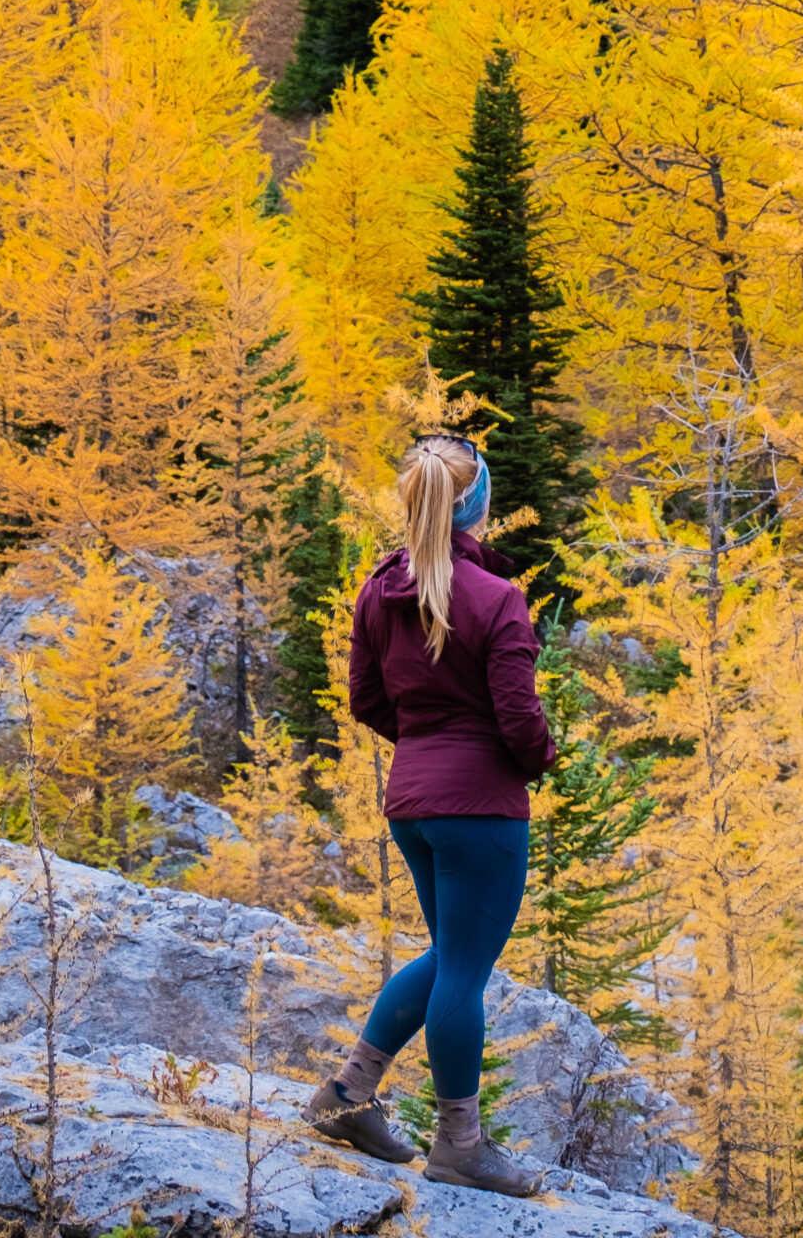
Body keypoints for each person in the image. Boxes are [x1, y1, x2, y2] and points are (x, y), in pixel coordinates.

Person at [302, 431, 555, 1196]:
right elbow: (519, 721)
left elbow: (368, 700)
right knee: (465, 972)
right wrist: (539, 757)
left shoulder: (380, 592)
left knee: (447, 955)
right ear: (477, 506)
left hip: (412, 802)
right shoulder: (498, 600)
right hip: (481, 809)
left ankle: (345, 1096)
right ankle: (460, 1145)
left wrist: (425, 746)